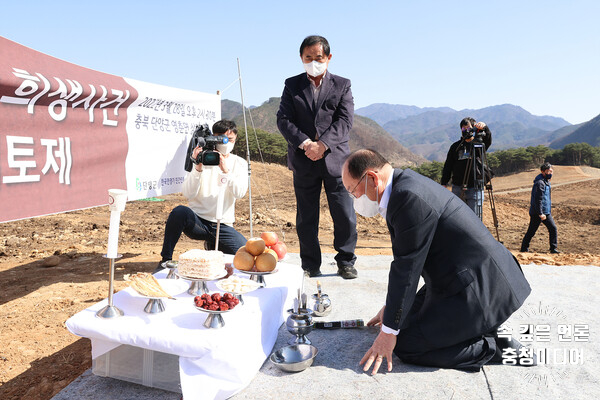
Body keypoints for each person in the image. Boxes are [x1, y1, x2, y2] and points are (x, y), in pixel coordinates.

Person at [341, 149, 533, 374]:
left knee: (406, 344)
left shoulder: (407, 198)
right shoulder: (405, 185)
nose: (355, 200)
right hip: (463, 277)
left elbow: (406, 268)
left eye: (353, 191)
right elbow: (411, 264)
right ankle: (478, 329)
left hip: (479, 289)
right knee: (401, 323)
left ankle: (492, 347)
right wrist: (392, 312)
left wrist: (388, 333)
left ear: (372, 178)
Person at [276, 35, 358, 279]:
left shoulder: (342, 85)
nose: (313, 62)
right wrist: (305, 144)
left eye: (318, 57)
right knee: (306, 217)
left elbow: (345, 120)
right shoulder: (292, 85)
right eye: (308, 58)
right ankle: (310, 264)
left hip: (336, 161)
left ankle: (345, 260)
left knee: (344, 214)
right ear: (301, 59)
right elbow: (283, 119)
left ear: (328, 58)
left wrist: (322, 144)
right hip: (304, 160)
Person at [156, 120, 248, 271]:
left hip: (223, 225)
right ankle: (165, 260)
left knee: (243, 254)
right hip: (198, 221)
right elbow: (188, 193)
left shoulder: (240, 163)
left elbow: (239, 193)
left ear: (235, 140)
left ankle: (212, 244)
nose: (225, 143)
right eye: (220, 139)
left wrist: (226, 171)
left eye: (229, 140)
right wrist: (197, 168)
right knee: (179, 212)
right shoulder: (203, 158)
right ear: (212, 138)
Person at [440, 117, 492, 218]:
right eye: (463, 129)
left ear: (474, 130)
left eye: (468, 128)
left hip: (475, 187)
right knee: (459, 218)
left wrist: (485, 128)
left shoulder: (479, 145)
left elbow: (488, 140)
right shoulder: (456, 146)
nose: (466, 131)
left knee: (475, 218)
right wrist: (444, 182)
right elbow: (448, 165)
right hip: (457, 187)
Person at [520, 162, 559, 254]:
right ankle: (524, 249)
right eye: (548, 171)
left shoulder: (546, 182)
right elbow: (538, 200)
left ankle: (553, 249)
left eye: (551, 171)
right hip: (537, 212)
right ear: (542, 171)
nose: (550, 173)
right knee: (531, 231)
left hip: (546, 211)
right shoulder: (540, 183)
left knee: (553, 228)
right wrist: (540, 213)